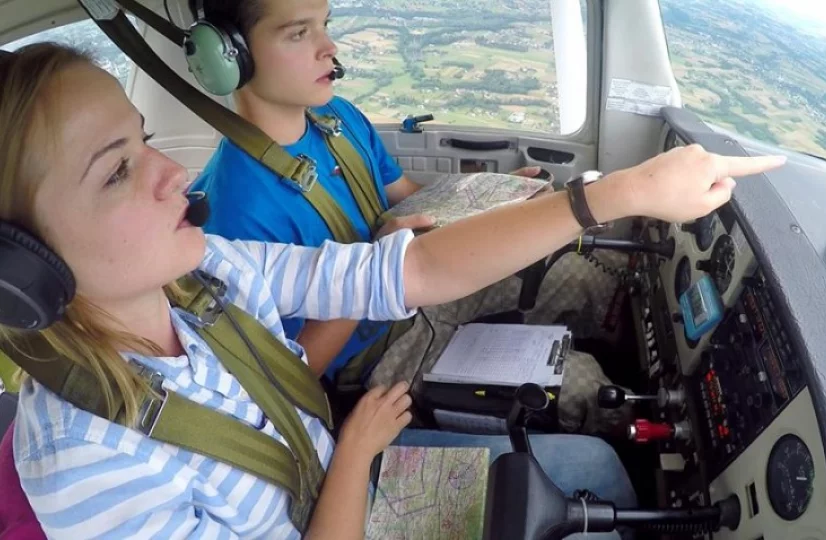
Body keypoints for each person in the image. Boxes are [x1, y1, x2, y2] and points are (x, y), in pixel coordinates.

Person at [0, 43, 784, 539]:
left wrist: (617, 193)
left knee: (599, 473)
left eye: (141, 140)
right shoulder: (84, 459)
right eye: (116, 171)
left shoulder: (206, 275)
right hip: (343, 489)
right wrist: (352, 460)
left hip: (346, 466)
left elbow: (407, 273)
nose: (174, 173)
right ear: (22, 267)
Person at [187, 0, 636, 433]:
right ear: (233, 54)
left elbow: (409, 199)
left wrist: (491, 197)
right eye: (299, 33)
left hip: (429, 282)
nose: (330, 47)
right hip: (376, 355)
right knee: (585, 388)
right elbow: (293, 375)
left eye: (325, 24)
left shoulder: (336, 119)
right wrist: (373, 263)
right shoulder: (232, 212)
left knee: (589, 272)